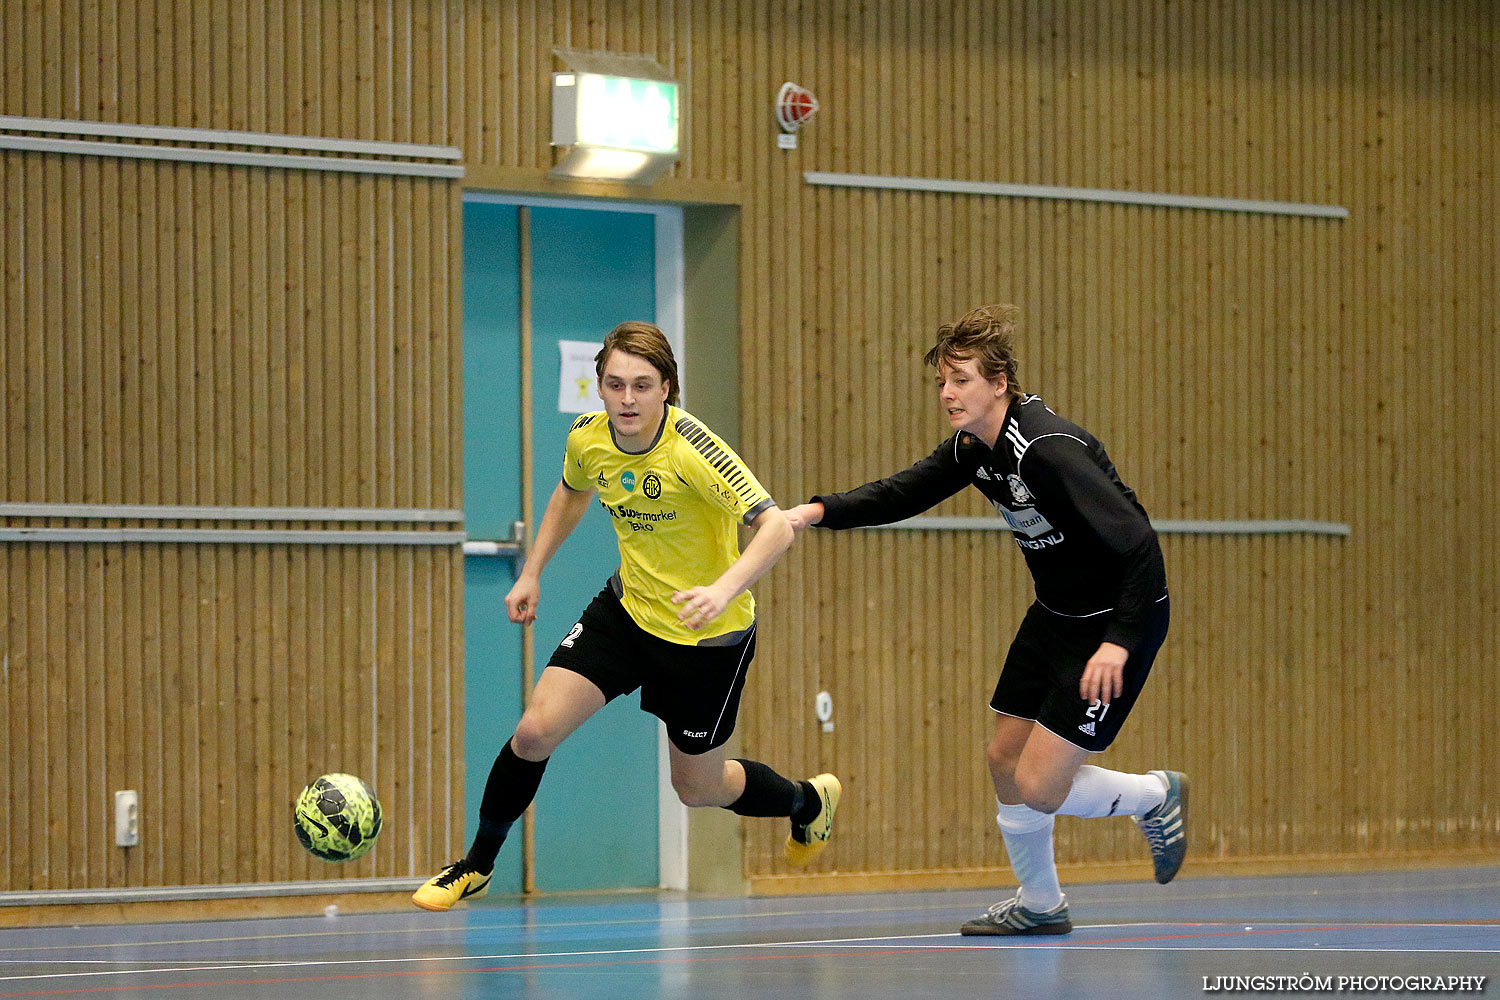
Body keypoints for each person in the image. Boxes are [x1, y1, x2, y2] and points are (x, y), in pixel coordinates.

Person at [784, 303, 1184, 936]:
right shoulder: (976, 448)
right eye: (943, 380)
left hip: (1115, 623)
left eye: (962, 379)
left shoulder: (1047, 452)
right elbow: (906, 490)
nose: (948, 393)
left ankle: (1155, 796)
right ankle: (1041, 903)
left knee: (1041, 786)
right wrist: (815, 511)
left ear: (1000, 383)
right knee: (1004, 758)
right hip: (1056, 616)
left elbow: (1139, 544)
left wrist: (1120, 642)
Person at [414, 321, 840, 911]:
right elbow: (572, 490)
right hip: (627, 613)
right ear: (601, 388)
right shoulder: (589, 438)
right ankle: (476, 865)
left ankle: (807, 802)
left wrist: (722, 588)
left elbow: (773, 527)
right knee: (534, 731)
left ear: (666, 387)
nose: (628, 399)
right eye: (615, 385)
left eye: (642, 385)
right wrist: (533, 570)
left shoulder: (694, 449)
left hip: (706, 636)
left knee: (698, 788)